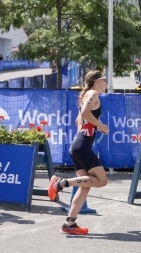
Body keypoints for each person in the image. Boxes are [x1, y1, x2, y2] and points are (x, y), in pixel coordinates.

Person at [47, 70, 109, 235]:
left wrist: (93, 126)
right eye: (104, 79)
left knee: (85, 186)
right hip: (81, 147)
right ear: (97, 81)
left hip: (78, 145)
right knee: (101, 181)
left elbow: (78, 120)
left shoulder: (87, 95)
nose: (106, 83)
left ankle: (69, 224)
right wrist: (101, 126)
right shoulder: (94, 92)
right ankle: (60, 183)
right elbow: (84, 114)